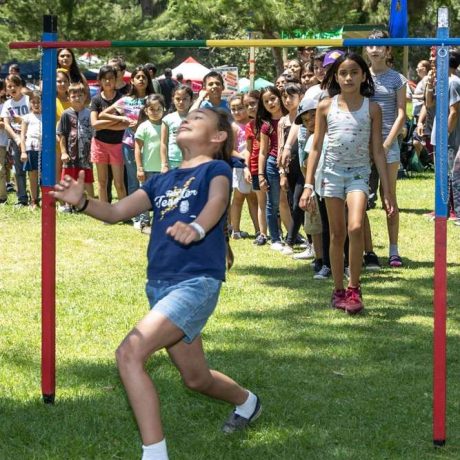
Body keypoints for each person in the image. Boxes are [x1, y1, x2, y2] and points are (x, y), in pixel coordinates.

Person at [50, 107, 262, 460]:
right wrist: (84, 202)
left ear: (219, 136)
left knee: (129, 353)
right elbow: (117, 213)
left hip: (195, 283)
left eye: (199, 118)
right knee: (195, 379)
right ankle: (248, 402)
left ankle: (155, 454)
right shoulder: (161, 180)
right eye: (186, 117)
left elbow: (218, 201)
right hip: (160, 285)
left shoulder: (217, 169)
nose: (188, 120)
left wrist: (196, 228)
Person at [300, 52, 394, 314]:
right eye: (343, 73)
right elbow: (316, 147)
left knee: (355, 227)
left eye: (354, 72)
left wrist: (387, 191)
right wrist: (308, 185)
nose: (349, 77)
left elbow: (377, 150)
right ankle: (338, 290)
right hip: (331, 174)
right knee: (337, 233)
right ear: (336, 77)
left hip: (358, 174)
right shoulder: (325, 106)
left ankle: (354, 288)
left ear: (364, 75)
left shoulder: (372, 108)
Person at [366, 30, 407, 267]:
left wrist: (387, 143)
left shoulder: (397, 79)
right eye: (371, 45)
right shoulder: (361, 76)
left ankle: (394, 250)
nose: (375, 49)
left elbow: (401, 114)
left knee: (388, 197)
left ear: (388, 50)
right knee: (360, 195)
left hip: (388, 144)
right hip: (364, 144)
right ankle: (366, 250)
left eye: (380, 46)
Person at [100, 65, 155, 228]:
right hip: (129, 145)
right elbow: (103, 114)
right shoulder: (126, 100)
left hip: (150, 145)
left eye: (144, 77)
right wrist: (123, 120)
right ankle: (136, 216)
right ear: (131, 80)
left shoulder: (153, 99)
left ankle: (147, 216)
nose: (141, 80)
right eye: (138, 77)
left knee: (149, 180)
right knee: (132, 180)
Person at [256, 86, 291, 251]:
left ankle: (292, 234)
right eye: (266, 101)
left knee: (289, 202)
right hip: (272, 165)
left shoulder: (291, 117)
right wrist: (261, 174)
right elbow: (263, 152)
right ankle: (275, 238)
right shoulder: (266, 125)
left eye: (273, 98)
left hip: (291, 164)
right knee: (273, 202)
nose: (270, 103)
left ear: (280, 97)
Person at [90, 65, 127, 204]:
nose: (108, 82)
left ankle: (124, 212)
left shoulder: (122, 99)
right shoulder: (96, 100)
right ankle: (104, 212)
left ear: (116, 80)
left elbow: (125, 125)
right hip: (99, 144)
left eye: (111, 78)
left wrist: (104, 122)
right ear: (99, 80)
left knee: (119, 183)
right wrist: (117, 121)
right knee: (102, 182)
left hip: (117, 144)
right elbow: (94, 124)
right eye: (104, 79)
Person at [278, 83, 306, 255]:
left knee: (298, 203)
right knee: (291, 204)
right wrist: (282, 172)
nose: (287, 100)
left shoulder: (307, 117)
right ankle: (308, 240)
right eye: (285, 97)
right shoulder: (282, 121)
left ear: (300, 97)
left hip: (304, 167)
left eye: (291, 96)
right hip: (289, 169)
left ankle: (290, 241)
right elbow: (282, 146)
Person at [57, 82, 94, 210]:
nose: (77, 98)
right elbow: (62, 135)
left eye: (80, 95)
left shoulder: (89, 114)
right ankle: (68, 204)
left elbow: (94, 134)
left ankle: (91, 204)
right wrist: (63, 152)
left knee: (87, 179)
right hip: (70, 154)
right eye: (73, 96)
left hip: (86, 153)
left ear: (85, 96)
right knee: (68, 179)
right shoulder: (66, 114)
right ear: (69, 98)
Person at [229, 93, 259, 239]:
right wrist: (244, 159)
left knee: (253, 198)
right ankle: (235, 230)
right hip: (240, 166)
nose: (236, 112)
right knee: (238, 198)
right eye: (233, 109)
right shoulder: (233, 127)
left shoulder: (253, 123)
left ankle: (258, 229)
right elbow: (231, 149)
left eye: (240, 108)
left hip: (253, 165)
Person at [134, 94, 166, 228]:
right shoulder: (143, 127)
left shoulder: (166, 125)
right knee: (145, 196)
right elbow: (137, 148)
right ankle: (144, 220)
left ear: (164, 109)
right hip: (147, 169)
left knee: (161, 196)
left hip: (162, 169)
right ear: (146, 111)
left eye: (158, 109)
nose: (155, 112)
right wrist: (139, 168)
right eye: (152, 109)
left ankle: (158, 221)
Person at [1, 74, 29, 207]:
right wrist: (16, 137)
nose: (12, 88)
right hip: (15, 139)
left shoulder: (28, 100)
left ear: (20, 86)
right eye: (9, 86)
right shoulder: (7, 104)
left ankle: (36, 198)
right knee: (18, 170)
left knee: (35, 170)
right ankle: (22, 198)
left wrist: (23, 121)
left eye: (15, 85)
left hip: (31, 138)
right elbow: (6, 124)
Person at [244, 90, 268, 245]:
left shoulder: (270, 122)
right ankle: (263, 233)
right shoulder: (249, 126)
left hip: (270, 164)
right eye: (247, 105)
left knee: (279, 202)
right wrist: (246, 168)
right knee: (262, 201)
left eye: (253, 103)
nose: (250, 107)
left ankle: (279, 232)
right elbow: (248, 149)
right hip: (254, 166)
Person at [160, 85, 193, 172]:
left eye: (185, 99)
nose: (181, 102)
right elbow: (163, 143)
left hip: (191, 161)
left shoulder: (195, 118)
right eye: (178, 99)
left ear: (191, 101)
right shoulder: (167, 119)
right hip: (172, 162)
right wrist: (164, 164)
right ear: (173, 99)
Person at [20, 91, 42, 209]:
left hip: (44, 148)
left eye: (39, 102)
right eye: (34, 102)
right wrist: (23, 151)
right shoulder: (27, 117)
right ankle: (33, 200)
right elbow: (22, 135)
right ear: (30, 103)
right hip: (31, 148)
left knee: (44, 175)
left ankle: (46, 198)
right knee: (33, 174)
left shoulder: (47, 116)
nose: (36, 104)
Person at [0, 79, 8, 204]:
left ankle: (2, 196)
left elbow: (13, 120)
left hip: (1, 142)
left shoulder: (6, 105)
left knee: (0, 169)